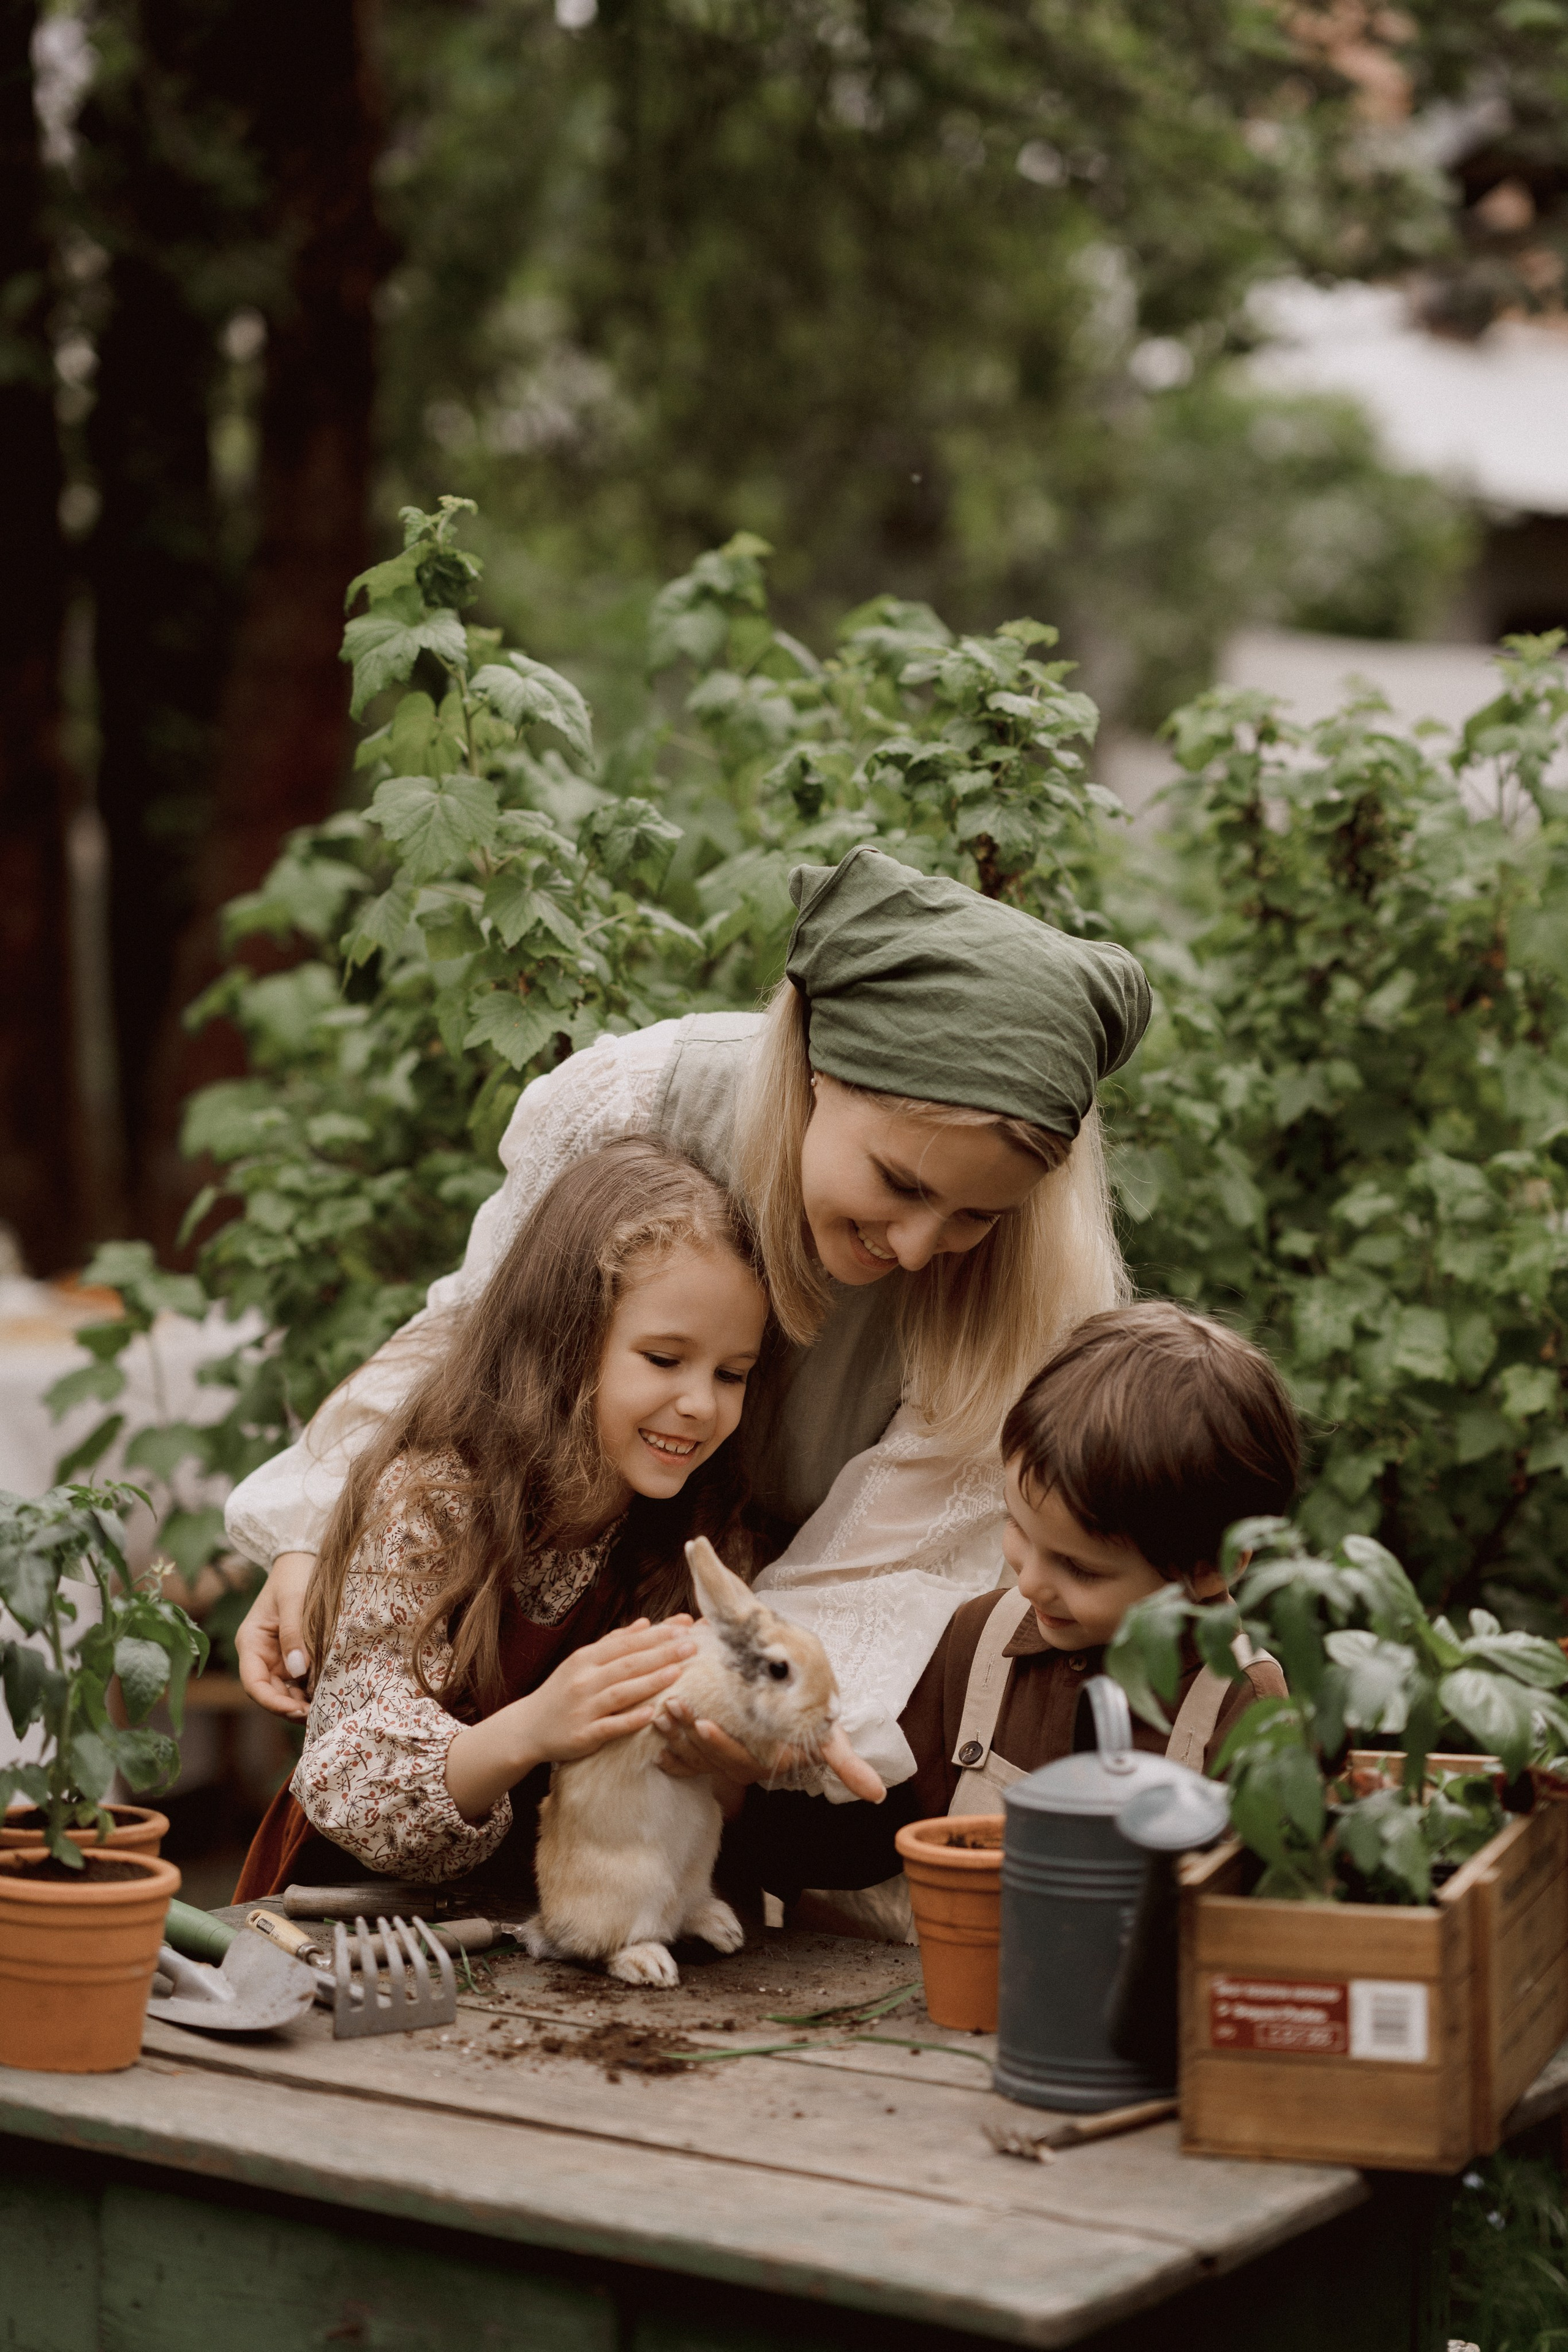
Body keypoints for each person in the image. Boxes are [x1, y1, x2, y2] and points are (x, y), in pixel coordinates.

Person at [226, 844, 1151, 1796]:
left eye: (973, 1217)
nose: (917, 1248)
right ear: (821, 1071)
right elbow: (477, 1333)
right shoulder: (638, 1103)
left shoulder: (1025, 1285)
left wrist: (730, 1708)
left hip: (746, 1685)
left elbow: (892, 1564)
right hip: (535, 1663)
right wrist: (320, 1525)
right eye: (899, 1183)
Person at [232, 1140, 882, 1902]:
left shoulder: (706, 1533)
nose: (702, 1404)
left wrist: (729, 1749)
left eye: (731, 1374)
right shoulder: (434, 1502)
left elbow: (711, 1793)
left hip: (565, 1920)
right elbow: (346, 1773)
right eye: (665, 1360)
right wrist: (538, 1727)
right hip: (359, 1917)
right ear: (565, 1340)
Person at [717, 1303, 1297, 1915]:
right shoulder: (980, 1645)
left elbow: (1263, 1924)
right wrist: (734, 1790)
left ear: (1210, 1568)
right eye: (1017, 1527)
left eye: (1080, 1568)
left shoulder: (1239, 1706)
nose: (1032, 1583)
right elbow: (867, 1843)